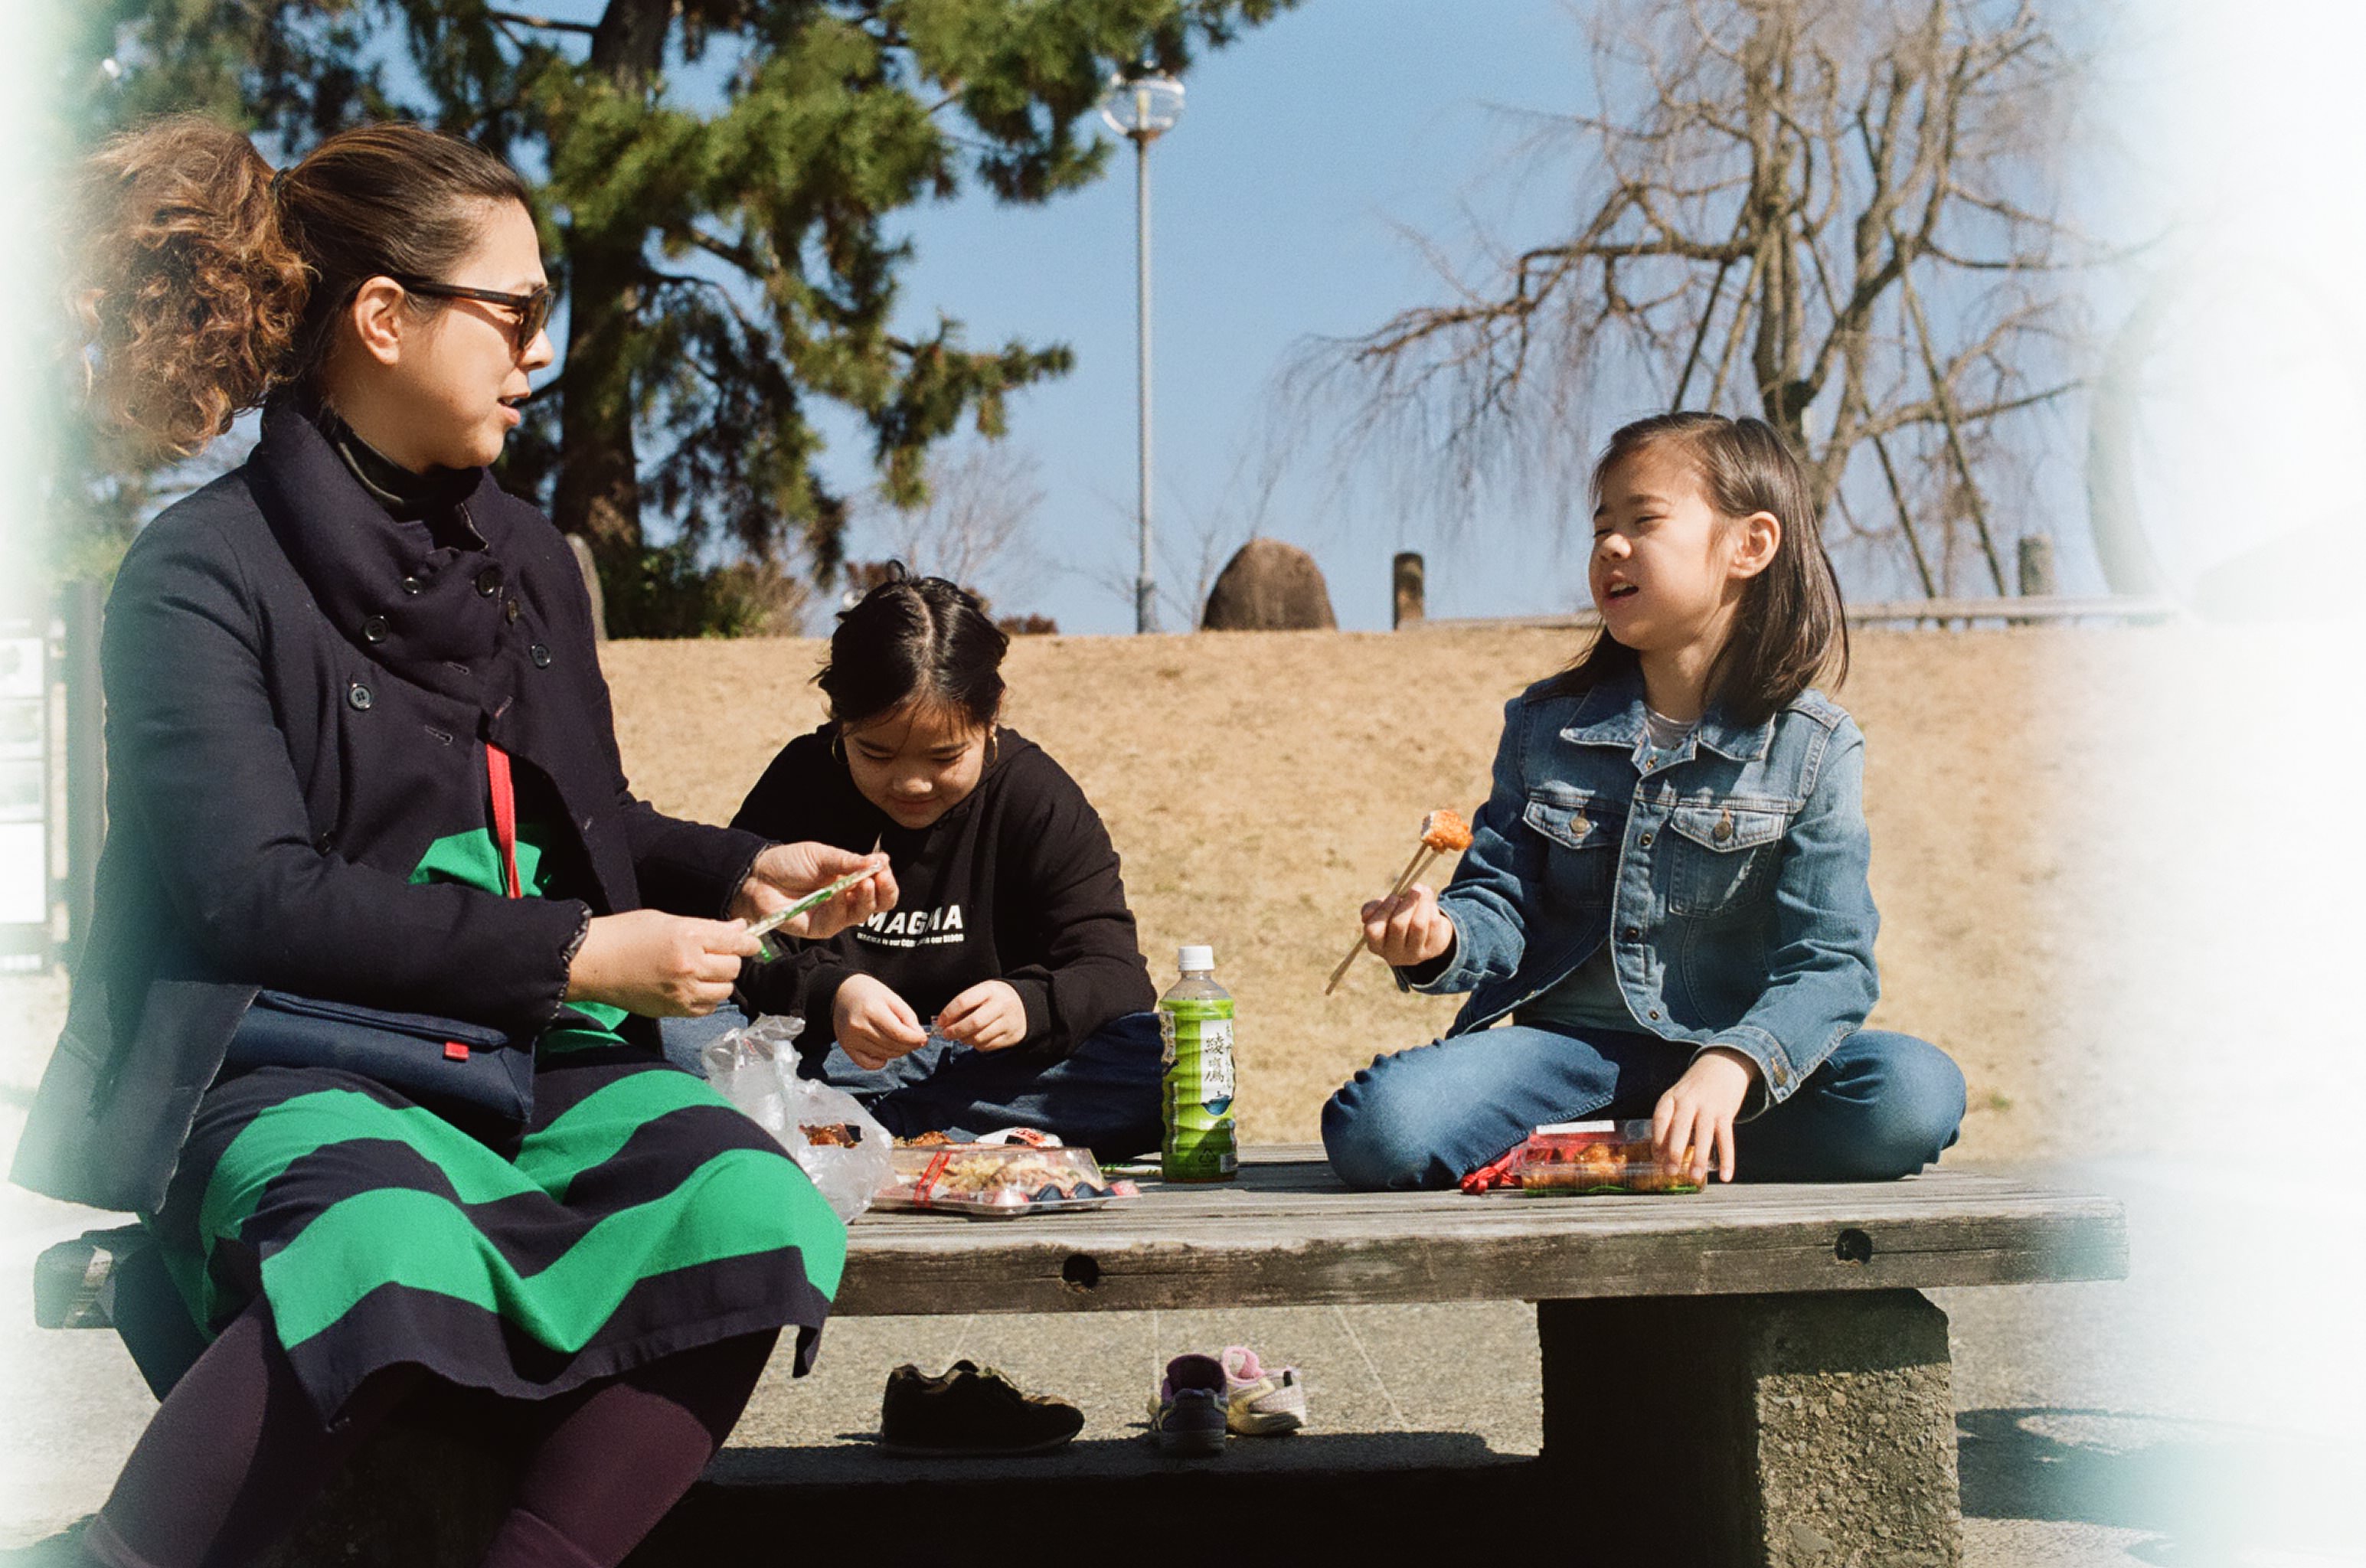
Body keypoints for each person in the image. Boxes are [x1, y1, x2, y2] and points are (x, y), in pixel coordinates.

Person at [15, 116, 897, 1568]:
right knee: (387, 1239)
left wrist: (739, 869)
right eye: (517, 310)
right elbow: (250, 896)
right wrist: (579, 954)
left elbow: (589, 822)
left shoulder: (532, 558)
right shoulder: (196, 572)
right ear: (384, 317)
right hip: (290, 1058)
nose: (540, 352)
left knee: (754, 1201)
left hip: (531, 1060)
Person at [1321, 413, 1966, 1192]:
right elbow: (1500, 900)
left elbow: (1830, 964)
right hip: (1564, 1058)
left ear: (1750, 545)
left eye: (1643, 521)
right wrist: (1440, 938)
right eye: (1602, 528)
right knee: (1378, 1129)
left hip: (1733, 1067)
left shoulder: (1814, 746)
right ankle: (1641, 1147)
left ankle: (1627, 1147)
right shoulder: (1544, 725)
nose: (1611, 547)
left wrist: (1734, 1061)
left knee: (1913, 1092)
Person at [707, 567, 1162, 1158]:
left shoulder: (1033, 795)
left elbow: (1115, 970)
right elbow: (747, 940)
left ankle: (861, 1133)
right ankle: (888, 1130)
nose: (912, 783)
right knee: (677, 1034)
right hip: (833, 1057)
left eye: (946, 756)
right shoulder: (801, 781)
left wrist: (1030, 1005)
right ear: (838, 718)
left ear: (992, 716)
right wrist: (833, 994)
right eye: (876, 754)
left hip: (985, 1066)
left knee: (1152, 1065)